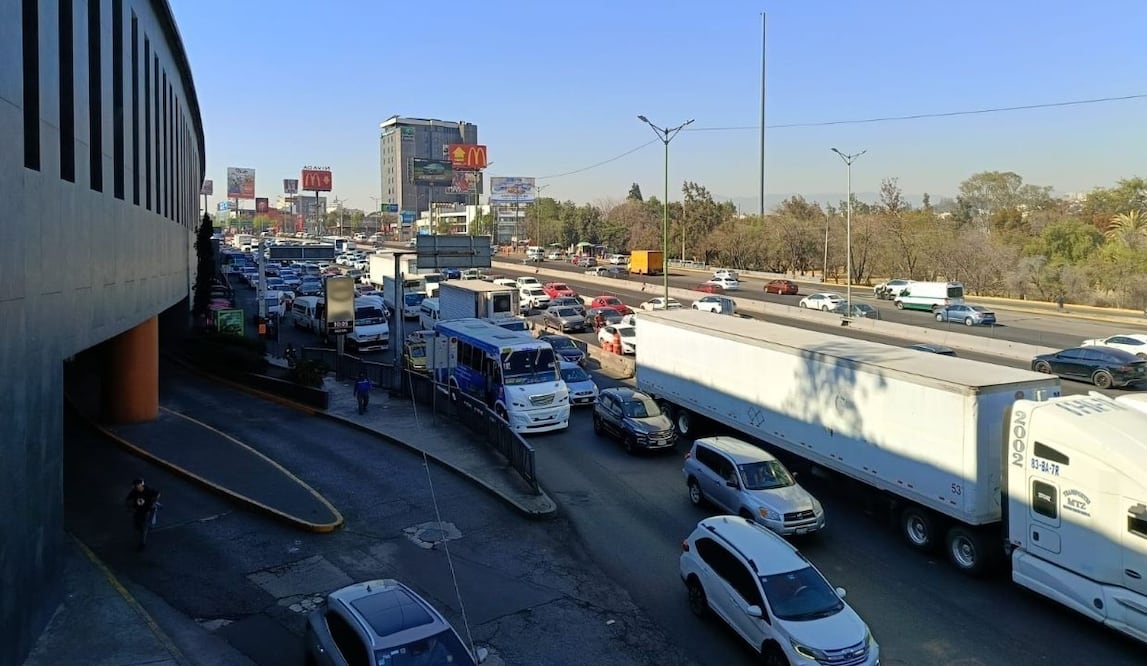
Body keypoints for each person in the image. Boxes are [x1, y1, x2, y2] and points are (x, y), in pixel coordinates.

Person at [124, 478, 160, 551]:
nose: (136, 487)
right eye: (135, 486)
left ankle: (142, 543)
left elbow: (157, 494)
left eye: (137, 485)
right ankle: (139, 537)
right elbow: (127, 499)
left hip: (146, 512)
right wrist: (130, 508)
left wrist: (153, 503)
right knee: (136, 526)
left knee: (144, 527)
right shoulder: (134, 492)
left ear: (141, 485)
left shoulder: (148, 490)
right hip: (137, 511)